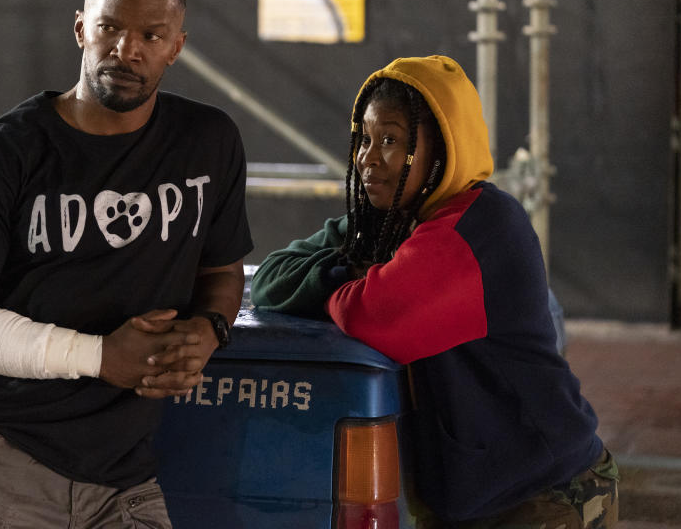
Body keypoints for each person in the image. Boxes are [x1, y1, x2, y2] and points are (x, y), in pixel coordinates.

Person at [0, 0, 253, 529]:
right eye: (109, 27)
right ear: (80, 29)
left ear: (176, 46)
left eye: (150, 34)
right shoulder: (2, 153)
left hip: (121, 474)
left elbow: (221, 272)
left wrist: (208, 330)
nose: (126, 49)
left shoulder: (208, 141)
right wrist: (100, 357)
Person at [250, 55, 618, 527]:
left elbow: (374, 314)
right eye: (364, 139)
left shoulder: (483, 225)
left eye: (391, 140)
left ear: (443, 146)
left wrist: (352, 277)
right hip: (473, 497)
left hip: (544, 494)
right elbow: (272, 276)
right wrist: (353, 269)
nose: (368, 157)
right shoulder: (385, 225)